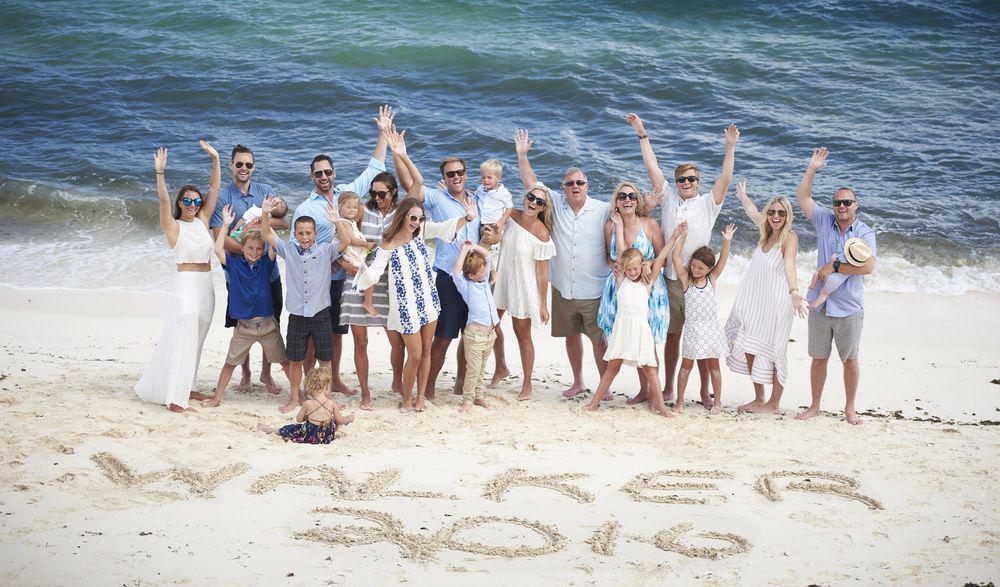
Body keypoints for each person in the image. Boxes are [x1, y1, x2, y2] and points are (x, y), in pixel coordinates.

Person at [626, 113, 739, 405]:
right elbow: (652, 167)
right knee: (674, 336)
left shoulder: (708, 203)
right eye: (682, 179)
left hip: (699, 281)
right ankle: (667, 389)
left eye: (691, 179)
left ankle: (703, 391)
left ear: (698, 182)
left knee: (700, 336)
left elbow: (726, 178)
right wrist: (642, 134)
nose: (686, 182)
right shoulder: (669, 198)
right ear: (676, 182)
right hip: (671, 279)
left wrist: (730, 147)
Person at [289, 105, 395, 397]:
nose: (324, 176)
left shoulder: (348, 195)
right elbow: (298, 245)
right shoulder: (305, 208)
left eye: (327, 171)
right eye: (318, 173)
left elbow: (375, 168)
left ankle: (333, 379)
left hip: (345, 279)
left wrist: (383, 132)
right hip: (320, 277)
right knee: (312, 333)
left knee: (336, 332)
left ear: (334, 173)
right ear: (312, 177)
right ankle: (309, 384)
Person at [352, 194, 477, 413]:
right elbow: (374, 274)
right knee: (416, 354)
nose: (416, 223)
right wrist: (361, 269)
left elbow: (444, 227)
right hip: (405, 306)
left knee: (427, 349)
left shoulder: (420, 233)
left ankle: (420, 397)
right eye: (412, 218)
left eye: (420, 219)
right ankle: (407, 398)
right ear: (402, 216)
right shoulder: (388, 244)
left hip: (428, 301)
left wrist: (467, 218)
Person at [514, 128, 611, 397]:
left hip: (594, 289)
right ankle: (578, 381)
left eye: (580, 182)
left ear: (587, 186)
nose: (575, 186)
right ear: (563, 188)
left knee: (598, 340)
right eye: (570, 183)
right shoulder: (555, 204)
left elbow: (629, 215)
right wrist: (522, 156)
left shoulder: (602, 209)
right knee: (571, 338)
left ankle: (605, 386)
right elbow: (531, 186)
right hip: (562, 288)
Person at [394, 129, 482, 401]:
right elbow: (410, 185)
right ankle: (428, 388)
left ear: (466, 174)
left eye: (460, 172)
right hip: (447, 276)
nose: (455, 177)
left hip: (476, 278)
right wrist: (400, 154)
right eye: (450, 174)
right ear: (443, 178)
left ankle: (462, 386)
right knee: (443, 338)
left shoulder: (477, 198)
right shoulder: (435, 197)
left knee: (472, 337)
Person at [135, 141, 220, 413]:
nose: (193, 204)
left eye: (197, 201)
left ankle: (188, 386)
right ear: (180, 204)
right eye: (187, 201)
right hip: (186, 285)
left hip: (207, 285)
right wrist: (160, 174)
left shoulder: (202, 221)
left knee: (198, 338)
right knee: (184, 337)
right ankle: (176, 400)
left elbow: (214, 188)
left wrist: (215, 159)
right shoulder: (173, 226)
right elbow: (162, 199)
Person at [794, 148, 877, 425]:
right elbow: (802, 197)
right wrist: (812, 168)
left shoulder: (865, 233)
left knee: (850, 360)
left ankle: (850, 409)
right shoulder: (824, 221)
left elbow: (868, 267)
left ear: (856, 205)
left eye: (847, 202)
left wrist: (835, 267)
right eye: (837, 202)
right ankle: (815, 406)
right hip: (821, 303)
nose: (842, 206)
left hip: (849, 306)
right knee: (818, 359)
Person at [583, 222, 683, 416]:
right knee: (612, 368)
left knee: (650, 369)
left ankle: (661, 407)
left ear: (641, 266)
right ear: (624, 268)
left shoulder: (647, 282)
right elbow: (620, 247)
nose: (633, 272)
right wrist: (619, 226)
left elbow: (662, 256)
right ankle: (594, 402)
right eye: (629, 269)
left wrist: (675, 236)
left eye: (636, 268)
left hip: (641, 331)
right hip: (622, 331)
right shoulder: (621, 279)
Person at [210, 143, 286, 394]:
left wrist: (259, 221)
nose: (244, 168)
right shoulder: (224, 197)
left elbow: (284, 220)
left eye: (248, 164)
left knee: (271, 322)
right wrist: (249, 251)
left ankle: (266, 373)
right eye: (239, 164)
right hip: (237, 273)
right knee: (240, 324)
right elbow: (219, 234)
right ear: (231, 165)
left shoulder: (265, 190)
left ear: (254, 167)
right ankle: (245, 374)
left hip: (268, 272)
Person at [726, 183, 807, 414]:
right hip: (755, 301)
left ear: (788, 216)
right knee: (749, 346)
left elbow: (790, 264)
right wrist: (743, 195)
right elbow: (753, 212)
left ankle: (774, 403)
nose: (776, 216)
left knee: (775, 351)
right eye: (771, 212)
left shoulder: (789, 237)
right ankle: (759, 397)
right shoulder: (765, 234)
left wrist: (794, 292)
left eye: (781, 212)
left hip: (777, 303)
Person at [202, 205, 291, 408]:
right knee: (229, 364)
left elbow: (272, 240)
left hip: (268, 326)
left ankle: (298, 395)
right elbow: (218, 248)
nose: (254, 252)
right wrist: (225, 224)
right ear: (242, 248)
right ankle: (217, 398)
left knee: (285, 363)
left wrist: (265, 215)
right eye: (250, 248)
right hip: (244, 327)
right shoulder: (233, 265)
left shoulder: (266, 264)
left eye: (259, 248)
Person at [261, 198, 341, 413]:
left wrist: (337, 220)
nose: (305, 237)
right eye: (300, 233)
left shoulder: (326, 250)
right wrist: (265, 213)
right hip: (297, 314)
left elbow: (347, 241)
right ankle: (295, 398)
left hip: (321, 312)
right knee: (295, 360)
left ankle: (326, 398)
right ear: (294, 234)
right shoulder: (288, 250)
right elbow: (268, 234)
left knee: (325, 360)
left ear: (315, 234)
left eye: (308, 233)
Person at [338, 168, 406, 409]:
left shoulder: (400, 214)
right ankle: (365, 393)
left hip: (388, 285)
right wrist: (343, 263)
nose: (377, 198)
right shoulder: (364, 213)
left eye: (382, 194)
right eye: (373, 193)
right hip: (358, 281)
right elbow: (342, 238)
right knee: (360, 343)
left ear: (393, 192)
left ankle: (397, 381)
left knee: (397, 342)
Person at [596, 181, 669, 402]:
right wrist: (612, 265)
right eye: (622, 196)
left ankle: (652, 393)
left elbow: (661, 258)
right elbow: (608, 256)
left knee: (648, 340)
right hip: (620, 289)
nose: (627, 200)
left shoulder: (650, 225)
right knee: (625, 338)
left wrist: (647, 263)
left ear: (637, 202)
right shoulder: (610, 226)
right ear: (616, 202)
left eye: (631, 196)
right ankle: (643, 391)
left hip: (648, 289)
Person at [492, 183, 556, 400]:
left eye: (540, 202)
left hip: (523, 287)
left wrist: (543, 305)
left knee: (523, 336)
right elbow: (495, 231)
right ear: (525, 198)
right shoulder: (511, 216)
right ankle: (501, 367)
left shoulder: (542, 233)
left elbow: (542, 274)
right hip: (502, 280)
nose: (534, 203)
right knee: (490, 326)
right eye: (531, 197)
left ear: (542, 208)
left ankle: (527, 384)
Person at [671, 223, 736, 414]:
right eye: (693, 266)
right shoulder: (686, 279)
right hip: (692, 330)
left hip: (711, 330)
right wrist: (683, 236)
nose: (696, 270)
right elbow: (675, 256)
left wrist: (727, 240)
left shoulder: (712, 278)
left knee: (714, 368)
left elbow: (723, 259)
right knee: (685, 368)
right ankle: (680, 401)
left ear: (709, 269)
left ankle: (717, 403)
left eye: (700, 268)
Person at [451, 242, 500, 412]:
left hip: (489, 336)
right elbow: (456, 273)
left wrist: (474, 246)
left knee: (481, 369)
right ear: (472, 275)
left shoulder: (485, 282)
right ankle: (468, 399)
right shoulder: (467, 287)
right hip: (475, 335)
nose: (484, 272)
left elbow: (488, 255)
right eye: (480, 271)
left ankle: (479, 396)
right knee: (473, 370)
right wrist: (464, 251)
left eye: (484, 270)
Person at [275, 367, 355, 445]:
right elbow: (340, 421)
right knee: (333, 420)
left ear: (309, 387)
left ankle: (274, 430)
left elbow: (299, 419)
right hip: (326, 436)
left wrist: (307, 416)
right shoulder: (332, 403)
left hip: (311, 435)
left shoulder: (307, 403)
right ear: (327, 387)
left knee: (292, 428)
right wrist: (350, 417)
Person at [474, 158, 514, 236]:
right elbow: (474, 195)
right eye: (483, 177)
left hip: (493, 225)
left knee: (485, 245)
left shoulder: (503, 193)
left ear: (498, 178)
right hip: (481, 223)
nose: (485, 180)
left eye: (489, 177)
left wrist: (501, 222)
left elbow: (509, 208)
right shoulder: (480, 189)